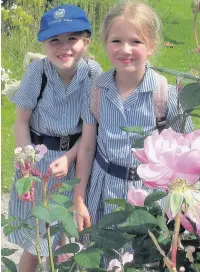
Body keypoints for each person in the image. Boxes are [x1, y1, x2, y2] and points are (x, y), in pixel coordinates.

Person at [74, 0, 193, 234]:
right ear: (105, 43)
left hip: (148, 201)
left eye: (136, 41)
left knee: (143, 261)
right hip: (103, 195)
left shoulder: (166, 96)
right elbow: (87, 148)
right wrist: (79, 199)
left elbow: (188, 155)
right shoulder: (96, 91)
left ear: (151, 46)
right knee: (104, 258)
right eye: (116, 40)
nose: (125, 49)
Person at [8, 4, 102, 272]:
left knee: (63, 230)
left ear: (86, 41)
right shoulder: (37, 72)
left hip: (72, 159)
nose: (64, 46)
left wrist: (68, 157)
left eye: (72, 38)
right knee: (36, 237)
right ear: (44, 44)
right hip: (36, 159)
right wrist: (28, 163)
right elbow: (21, 122)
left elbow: (88, 133)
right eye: (55, 40)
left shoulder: (92, 74)